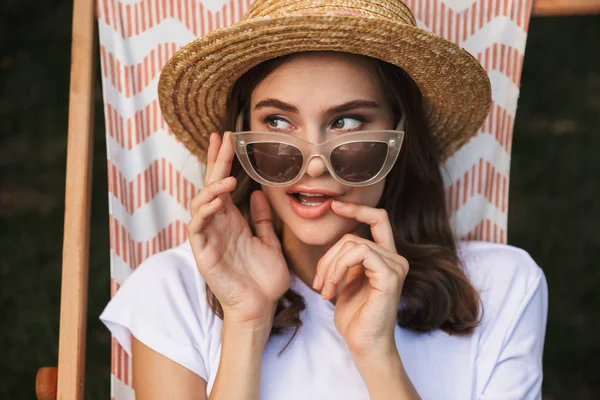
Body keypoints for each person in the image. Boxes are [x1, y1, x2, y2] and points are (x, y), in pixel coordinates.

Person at [100, 0, 548, 399]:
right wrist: (247, 322)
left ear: (400, 138)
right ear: (242, 141)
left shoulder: (499, 287)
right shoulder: (172, 289)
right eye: (277, 122)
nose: (314, 166)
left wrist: (378, 357)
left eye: (347, 122)